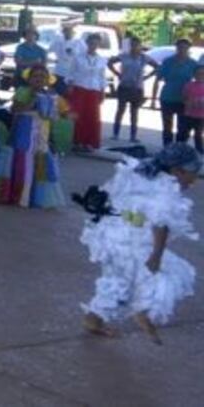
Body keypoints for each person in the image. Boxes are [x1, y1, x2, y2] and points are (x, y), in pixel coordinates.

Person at [78, 144, 199, 345]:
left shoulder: (142, 172)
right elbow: (161, 225)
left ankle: (93, 320)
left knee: (118, 279)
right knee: (174, 274)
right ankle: (145, 311)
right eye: (192, 174)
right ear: (177, 170)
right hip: (132, 238)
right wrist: (156, 256)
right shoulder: (166, 190)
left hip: (110, 232)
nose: (194, 180)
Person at [0, 65, 70, 208]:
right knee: (23, 161)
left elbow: (61, 113)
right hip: (23, 130)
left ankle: (35, 196)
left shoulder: (52, 96)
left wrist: (62, 114)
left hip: (42, 132)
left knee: (41, 161)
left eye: (43, 77)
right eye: (35, 76)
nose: (39, 79)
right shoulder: (23, 91)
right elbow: (14, 109)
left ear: (48, 80)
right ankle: (18, 195)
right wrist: (32, 102)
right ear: (29, 79)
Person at [107, 41, 158, 143]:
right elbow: (110, 62)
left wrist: (147, 77)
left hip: (137, 88)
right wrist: (117, 73)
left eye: (137, 45)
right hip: (124, 86)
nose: (134, 47)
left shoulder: (144, 58)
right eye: (133, 45)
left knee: (134, 112)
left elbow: (157, 67)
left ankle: (133, 136)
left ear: (140, 46)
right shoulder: (124, 56)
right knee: (120, 110)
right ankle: (115, 133)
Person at [67, 33, 109, 153]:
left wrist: (103, 91)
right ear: (87, 43)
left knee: (93, 116)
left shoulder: (101, 60)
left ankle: (89, 143)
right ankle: (77, 141)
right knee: (78, 116)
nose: (93, 46)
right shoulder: (78, 57)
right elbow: (71, 72)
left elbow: (102, 76)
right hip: (80, 88)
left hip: (94, 89)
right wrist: (70, 85)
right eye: (91, 43)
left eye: (96, 43)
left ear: (99, 44)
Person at [153, 39, 198, 146]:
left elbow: (199, 82)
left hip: (184, 100)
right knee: (167, 126)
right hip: (167, 97)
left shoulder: (193, 64)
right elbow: (157, 79)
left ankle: (179, 148)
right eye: (180, 47)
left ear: (188, 49)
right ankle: (167, 148)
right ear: (176, 48)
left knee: (182, 127)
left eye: (184, 47)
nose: (182, 50)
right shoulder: (167, 61)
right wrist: (153, 99)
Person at [49, 22, 84, 95]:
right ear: (63, 32)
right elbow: (50, 51)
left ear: (73, 32)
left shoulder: (78, 42)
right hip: (59, 71)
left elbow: (84, 55)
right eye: (65, 30)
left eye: (69, 30)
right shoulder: (58, 41)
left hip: (73, 72)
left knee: (71, 94)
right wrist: (53, 59)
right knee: (58, 93)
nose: (67, 32)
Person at [180, 65, 204, 153]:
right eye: (198, 74)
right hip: (189, 114)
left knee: (198, 135)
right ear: (194, 75)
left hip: (201, 116)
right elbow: (183, 98)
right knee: (184, 134)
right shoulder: (189, 85)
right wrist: (188, 103)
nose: (200, 76)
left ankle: (199, 152)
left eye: (202, 74)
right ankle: (181, 150)